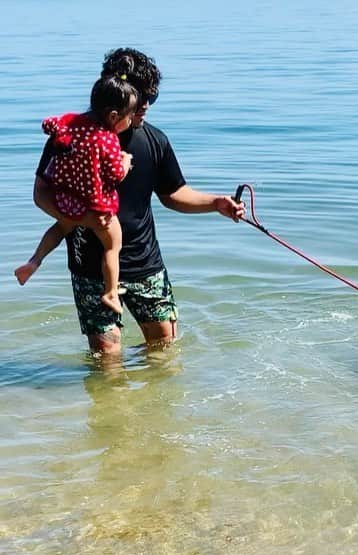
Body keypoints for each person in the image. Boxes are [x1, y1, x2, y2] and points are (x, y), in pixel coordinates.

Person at [33, 48, 244, 355]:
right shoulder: (70, 139)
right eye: (140, 97)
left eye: (151, 98)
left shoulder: (154, 140)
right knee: (107, 364)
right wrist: (83, 219)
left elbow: (173, 193)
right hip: (91, 268)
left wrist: (215, 203)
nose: (145, 106)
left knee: (164, 353)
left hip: (146, 263)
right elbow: (42, 194)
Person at [16, 76, 137, 313]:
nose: (131, 121)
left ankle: (33, 261)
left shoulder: (68, 125)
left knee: (61, 227)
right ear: (113, 116)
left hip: (66, 201)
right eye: (129, 116)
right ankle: (111, 292)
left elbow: (51, 125)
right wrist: (126, 160)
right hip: (97, 206)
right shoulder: (107, 139)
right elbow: (114, 175)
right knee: (113, 245)